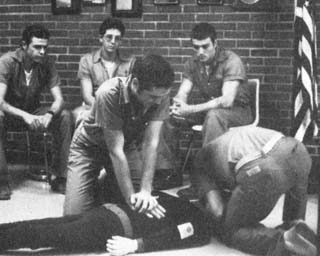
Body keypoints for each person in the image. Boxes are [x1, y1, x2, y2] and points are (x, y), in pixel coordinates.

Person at [63, 54, 174, 217]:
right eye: (152, 97)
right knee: (73, 217)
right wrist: (130, 199)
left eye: (161, 97)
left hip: (125, 146)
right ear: (135, 84)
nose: (157, 102)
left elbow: (151, 143)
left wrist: (145, 190)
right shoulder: (108, 93)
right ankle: (93, 182)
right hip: (89, 148)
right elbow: (115, 152)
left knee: (142, 202)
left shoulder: (160, 94)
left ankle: (106, 182)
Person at [192, 126, 316, 256]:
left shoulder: (200, 163)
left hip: (266, 167)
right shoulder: (226, 139)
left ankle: (285, 242)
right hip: (299, 152)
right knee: (292, 220)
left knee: (232, 230)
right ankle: (298, 228)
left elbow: (217, 211)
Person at [0, 191, 212, 255]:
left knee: (45, 226)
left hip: (106, 215)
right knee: (44, 232)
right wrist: (136, 245)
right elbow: (173, 236)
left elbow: (174, 235)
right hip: (110, 224)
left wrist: (136, 245)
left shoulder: (184, 208)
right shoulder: (199, 221)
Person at [0, 24, 73, 198]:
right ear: (24, 45)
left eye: (45, 48)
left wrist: (49, 114)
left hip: (34, 111)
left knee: (65, 117)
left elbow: (59, 99)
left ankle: (61, 177)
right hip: (10, 114)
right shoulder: (7, 62)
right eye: (37, 47)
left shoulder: (47, 62)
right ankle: (1, 181)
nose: (42, 52)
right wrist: (25, 116)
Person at [170, 22, 252, 146]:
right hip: (209, 111)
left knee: (214, 116)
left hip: (238, 112)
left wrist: (190, 109)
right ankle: (166, 164)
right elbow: (183, 92)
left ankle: (212, 164)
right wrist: (179, 105)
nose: (200, 52)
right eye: (196, 47)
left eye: (205, 46)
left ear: (215, 43)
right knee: (168, 116)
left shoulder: (231, 61)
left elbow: (227, 101)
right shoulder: (193, 63)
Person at [73, 17, 134, 124]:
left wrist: (114, 111)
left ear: (121, 41)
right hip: (94, 106)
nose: (113, 42)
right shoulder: (87, 61)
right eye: (109, 37)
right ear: (101, 38)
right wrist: (105, 109)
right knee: (76, 114)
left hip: (121, 109)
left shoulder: (130, 62)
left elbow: (131, 94)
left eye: (117, 38)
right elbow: (87, 96)